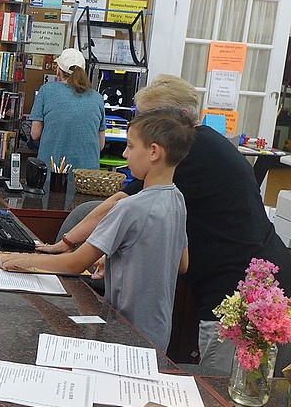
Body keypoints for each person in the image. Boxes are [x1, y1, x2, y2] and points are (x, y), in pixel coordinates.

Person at [36, 74, 291, 372]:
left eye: (148, 118)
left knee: (222, 392)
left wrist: (64, 245)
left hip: (242, 289)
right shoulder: (206, 143)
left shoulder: (185, 155)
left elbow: (115, 206)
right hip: (248, 276)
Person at [0, 107, 195, 351]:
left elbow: (74, 264)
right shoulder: (177, 199)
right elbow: (181, 263)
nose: (125, 154)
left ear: (154, 152)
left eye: (131, 147)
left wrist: (23, 260)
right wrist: (121, 257)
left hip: (124, 332)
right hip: (158, 334)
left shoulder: (130, 207)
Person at [30, 47, 106, 173]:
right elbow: (100, 145)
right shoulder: (97, 98)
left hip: (53, 173)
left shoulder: (46, 91)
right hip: (87, 176)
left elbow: (35, 134)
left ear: (58, 70)